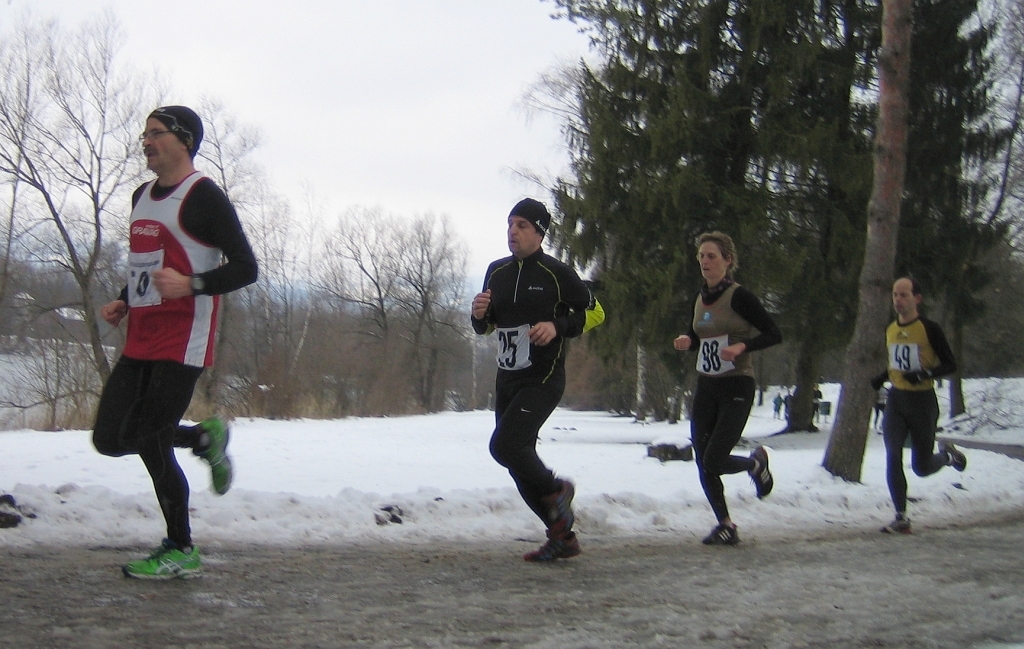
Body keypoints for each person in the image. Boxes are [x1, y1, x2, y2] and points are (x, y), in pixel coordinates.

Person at [92, 106, 258, 579]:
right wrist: (125, 298)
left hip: (184, 339)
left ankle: (180, 547)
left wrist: (192, 285)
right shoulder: (141, 195)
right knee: (109, 438)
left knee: (148, 438)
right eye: (143, 133)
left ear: (183, 141)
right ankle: (204, 438)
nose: (145, 140)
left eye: (156, 133)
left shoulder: (203, 197)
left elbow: (247, 267)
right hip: (142, 337)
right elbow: (146, 264)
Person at [471, 198, 605, 562]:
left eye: (522, 226)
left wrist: (557, 325)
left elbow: (595, 313)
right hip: (508, 378)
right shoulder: (496, 272)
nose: (513, 231)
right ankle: (562, 537)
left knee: (505, 447)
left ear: (540, 233)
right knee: (517, 462)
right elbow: (486, 326)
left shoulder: (557, 273)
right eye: (510, 224)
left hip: (544, 376)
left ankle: (558, 490)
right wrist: (478, 315)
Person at [673, 232, 782, 546]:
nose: (705, 262)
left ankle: (754, 464)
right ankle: (725, 524)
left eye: (712, 256)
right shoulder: (699, 297)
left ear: (728, 261)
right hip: (707, 385)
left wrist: (742, 347)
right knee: (702, 459)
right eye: (702, 257)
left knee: (714, 459)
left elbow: (774, 334)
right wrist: (688, 341)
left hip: (737, 384)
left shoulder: (739, 296)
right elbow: (698, 335)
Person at [870, 277, 965, 535]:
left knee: (921, 467)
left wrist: (925, 374)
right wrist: (882, 377)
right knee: (892, 454)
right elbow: (896, 363)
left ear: (917, 298)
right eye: (895, 295)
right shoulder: (890, 329)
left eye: (904, 295)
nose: (898, 300)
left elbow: (950, 364)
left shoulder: (929, 328)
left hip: (922, 402)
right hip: (897, 400)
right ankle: (901, 517)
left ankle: (947, 456)